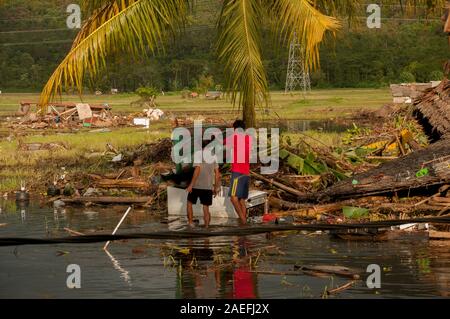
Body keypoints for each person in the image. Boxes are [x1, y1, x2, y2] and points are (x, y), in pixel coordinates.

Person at [186, 142, 221, 228]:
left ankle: (191, 223)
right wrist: (216, 187)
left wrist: (191, 185)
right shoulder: (214, 156)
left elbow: (197, 169)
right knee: (206, 208)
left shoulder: (198, 154)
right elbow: (217, 174)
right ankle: (207, 227)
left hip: (196, 185)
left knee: (189, 203)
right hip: (208, 187)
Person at [226, 120, 252, 224]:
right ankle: (243, 224)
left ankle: (243, 221)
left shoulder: (234, 138)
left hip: (237, 173)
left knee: (233, 198)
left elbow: (222, 142)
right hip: (246, 173)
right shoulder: (248, 139)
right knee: (241, 200)